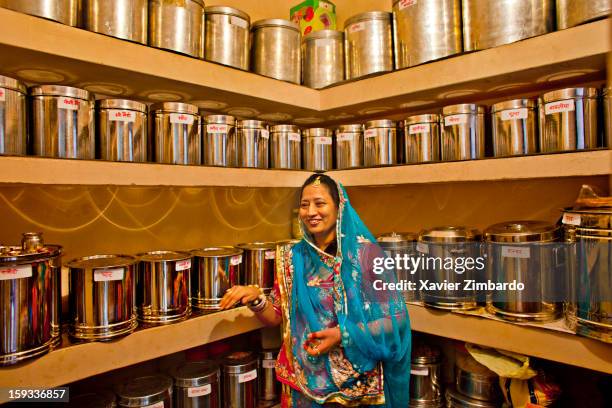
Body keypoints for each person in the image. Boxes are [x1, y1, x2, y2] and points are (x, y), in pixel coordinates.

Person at [219, 174, 411, 407]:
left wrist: (343, 335)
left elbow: (396, 320)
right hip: (303, 384)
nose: (311, 212)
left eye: (320, 204)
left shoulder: (366, 255)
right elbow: (277, 316)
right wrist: (256, 299)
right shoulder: (292, 257)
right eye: (304, 205)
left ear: (339, 207)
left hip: (356, 386)